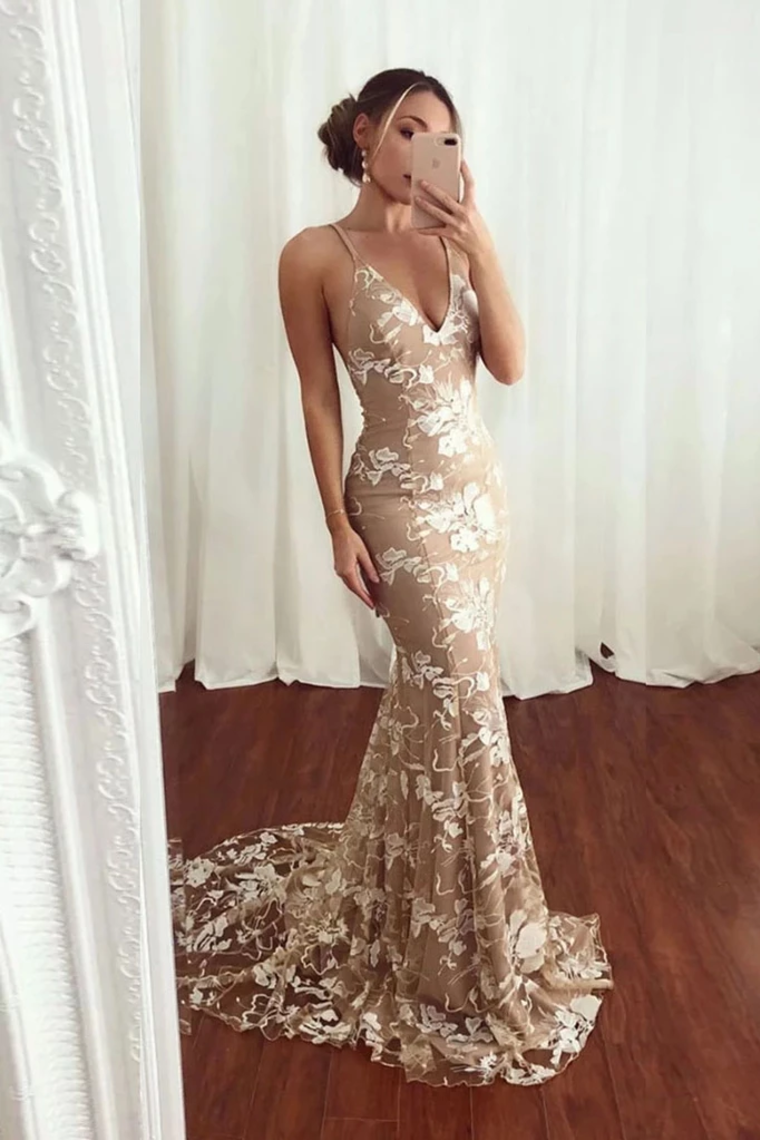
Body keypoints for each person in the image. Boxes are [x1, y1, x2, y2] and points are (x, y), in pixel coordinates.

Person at [170, 67, 614, 1088]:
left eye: (443, 135)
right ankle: (471, 942)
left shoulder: (458, 242)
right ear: (366, 134)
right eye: (408, 129)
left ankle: (407, 901)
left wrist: (483, 247)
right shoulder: (313, 255)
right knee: (461, 694)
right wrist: (336, 524)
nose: (424, 150)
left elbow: (509, 367)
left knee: (435, 698)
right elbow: (319, 399)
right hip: (397, 507)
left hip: (477, 502)